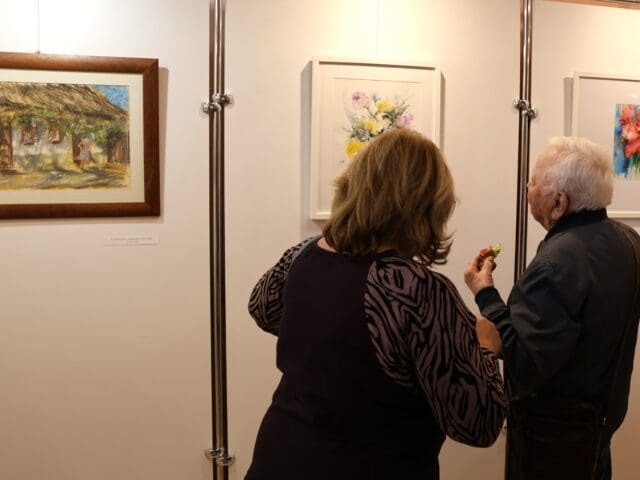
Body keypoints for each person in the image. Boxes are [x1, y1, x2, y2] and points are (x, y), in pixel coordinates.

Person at [245, 129, 506, 480]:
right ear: (427, 205)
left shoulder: (302, 254)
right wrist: (486, 347)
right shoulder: (415, 288)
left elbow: (262, 309)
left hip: (280, 457)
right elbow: (478, 423)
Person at [464, 136, 640, 480]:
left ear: (559, 202)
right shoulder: (629, 241)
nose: (527, 188)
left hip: (553, 440)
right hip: (599, 427)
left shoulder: (557, 264)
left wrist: (485, 294)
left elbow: (522, 356)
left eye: (533, 181)